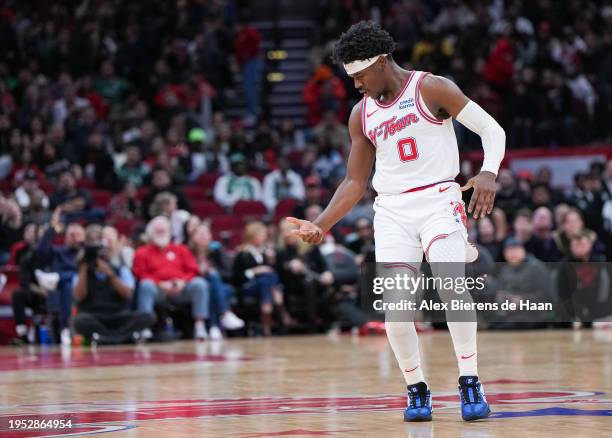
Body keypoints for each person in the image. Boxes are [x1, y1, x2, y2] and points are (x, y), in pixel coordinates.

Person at [287, 21, 505, 422]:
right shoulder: (361, 114)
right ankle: (416, 388)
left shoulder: (432, 88)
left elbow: (491, 129)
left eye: (359, 75)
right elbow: (355, 182)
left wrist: (489, 172)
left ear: (382, 61)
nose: (355, 85)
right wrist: (322, 223)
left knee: (450, 285)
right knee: (397, 309)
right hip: (391, 212)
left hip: (440, 199)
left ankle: (470, 380)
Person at [72, 227, 155, 344]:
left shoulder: (120, 269)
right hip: (94, 315)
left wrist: (110, 274)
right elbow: (79, 296)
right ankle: (123, 337)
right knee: (80, 321)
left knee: (148, 316)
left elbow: (128, 295)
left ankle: (106, 338)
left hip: (118, 315)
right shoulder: (81, 271)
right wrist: (84, 269)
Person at [133, 216, 210, 340]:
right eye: (158, 231)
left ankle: (200, 325)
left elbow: (193, 270)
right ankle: (145, 327)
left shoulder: (181, 249)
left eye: (164, 230)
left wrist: (182, 282)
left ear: (170, 231)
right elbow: (140, 273)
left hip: (180, 289)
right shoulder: (142, 252)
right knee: (145, 285)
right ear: (150, 233)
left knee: (200, 284)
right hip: (158, 290)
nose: (161, 233)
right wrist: (159, 283)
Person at [189, 223, 244, 340]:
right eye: (200, 233)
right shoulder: (188, 252)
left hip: (217, 285)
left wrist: (213, 271)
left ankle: (214, 326)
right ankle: (223, 316)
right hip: (196, 286)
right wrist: (200, 272)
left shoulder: (217, 251)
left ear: (210, 236)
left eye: (206, 233)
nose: (204, 236)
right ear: (193, 237)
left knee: (215, 279)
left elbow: (229, 273)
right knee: (216, 287)